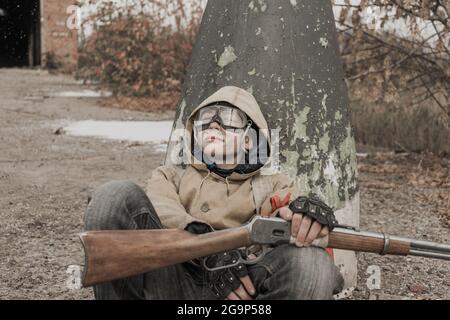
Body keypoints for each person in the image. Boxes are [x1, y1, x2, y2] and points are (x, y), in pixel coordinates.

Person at [84, 86, 344, 300]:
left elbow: (284, 213)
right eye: (206, 119)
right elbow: (161, 210)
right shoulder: (170, 176)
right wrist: (205, 244)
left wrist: (305, 211)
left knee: (312, 263)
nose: (215, 124)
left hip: (242, 292)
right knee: (113, 196)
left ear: (248, 140)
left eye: (229, 119)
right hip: (174, 282)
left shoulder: (274, 184)